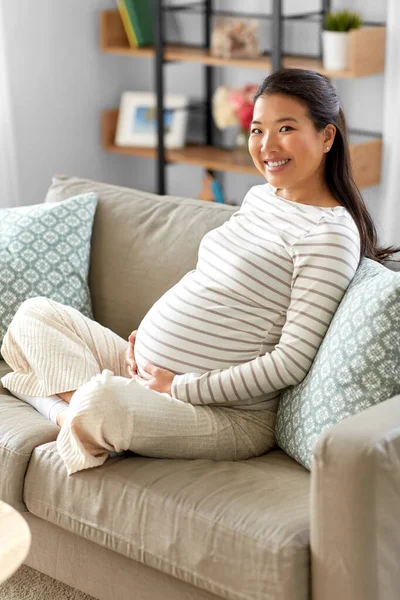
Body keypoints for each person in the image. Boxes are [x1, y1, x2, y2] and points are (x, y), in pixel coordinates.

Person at [1, 69, 395, 475]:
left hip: (226, 415)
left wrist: (176, 386)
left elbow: (290, 362)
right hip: (147, 374)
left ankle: (60, 408)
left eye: (286, 128)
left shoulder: (329, 236)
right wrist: (149, 338)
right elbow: (211, 285)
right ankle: (78, 415)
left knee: (103, 404)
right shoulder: (263, 197)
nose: (267, 145)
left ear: (327, 137)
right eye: (257, 130)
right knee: (33, 316)